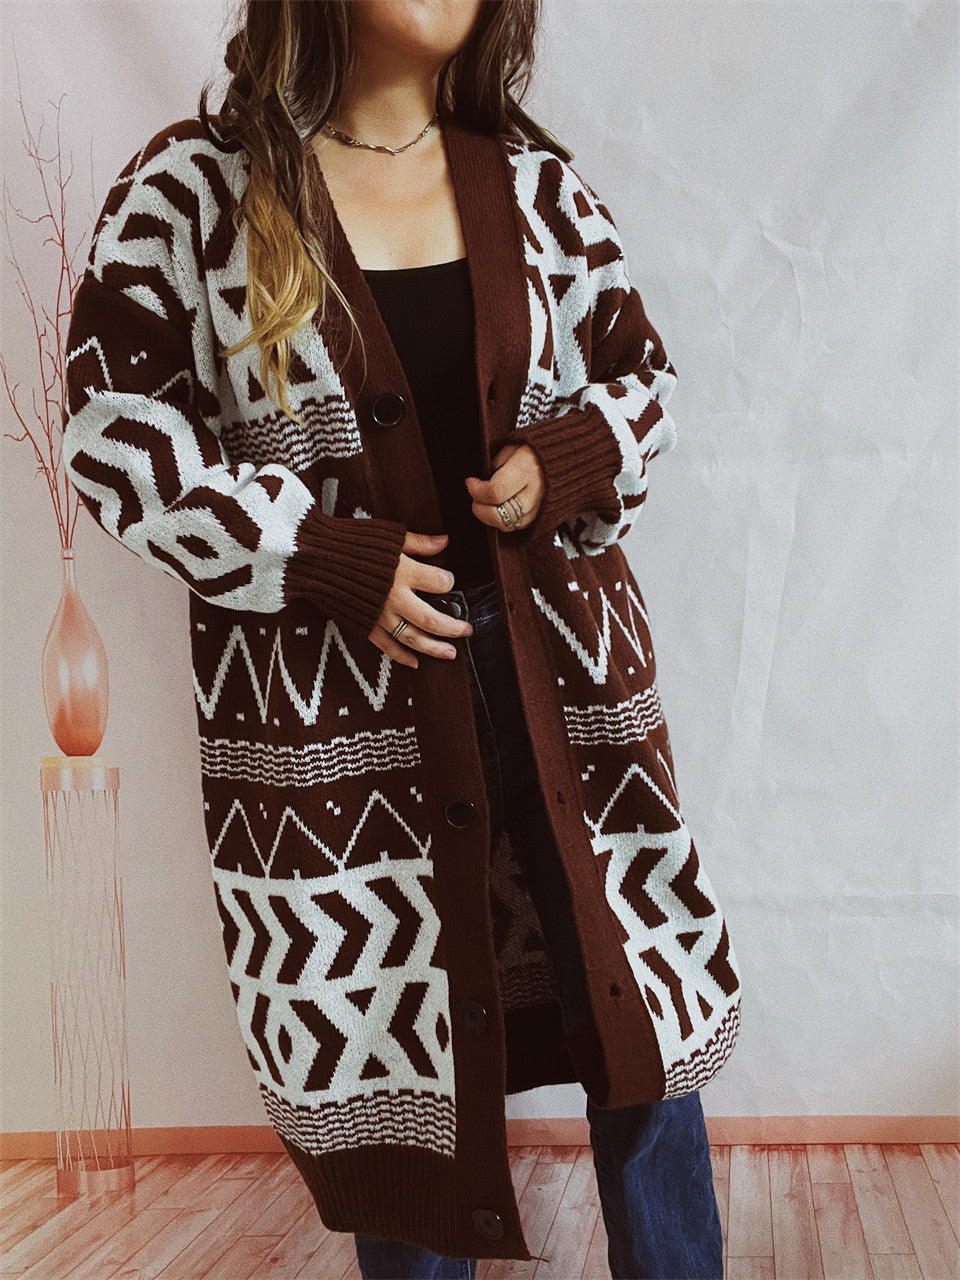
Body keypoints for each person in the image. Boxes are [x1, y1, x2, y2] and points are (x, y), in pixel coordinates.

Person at [63, 1, 741, 1276]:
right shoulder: (195, 190)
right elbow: (112, 430)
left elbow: (643, 377)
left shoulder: (534, 187)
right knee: (391, 1047)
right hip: (337, 727)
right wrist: (312, 553)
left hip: (563, 688)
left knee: (637, 1014)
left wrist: (571, 455)